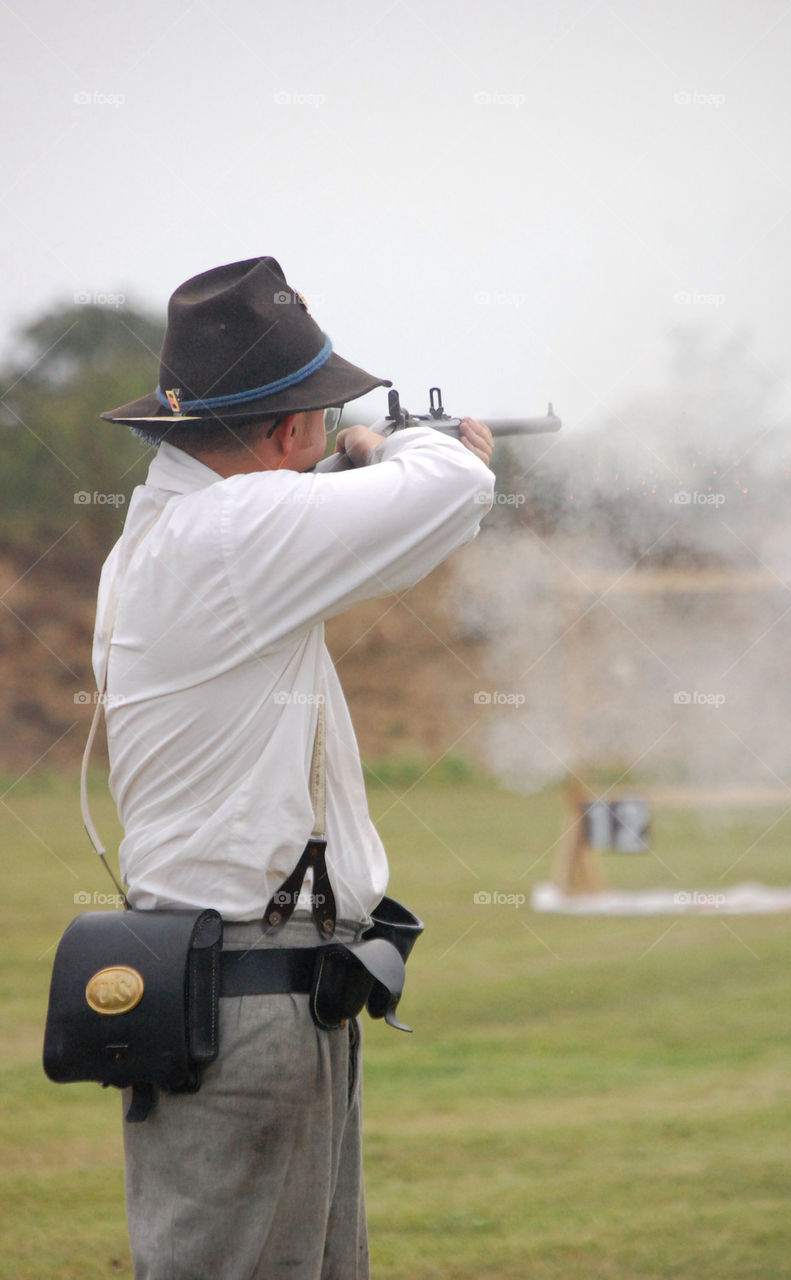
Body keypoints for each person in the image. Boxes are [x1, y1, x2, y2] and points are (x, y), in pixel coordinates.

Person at [95, 256, 494, 1279]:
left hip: (257, 986)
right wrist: (416, 440)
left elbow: (306, 511)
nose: (325, 427)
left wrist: (355, 454)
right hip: (246, 998)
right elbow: (451, 486)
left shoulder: (195, 526)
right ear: (285, 431)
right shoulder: (229, 531)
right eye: (318, 413)